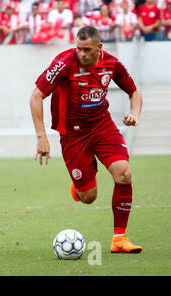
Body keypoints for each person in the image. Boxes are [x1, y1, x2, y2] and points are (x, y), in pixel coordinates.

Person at [30, 25, 143, 254]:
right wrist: (42, 137)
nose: (82, 54)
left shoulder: (112, 63)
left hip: (102, 125)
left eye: (87, 50)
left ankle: (119, 239)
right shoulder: (64, 63)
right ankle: (80, 183)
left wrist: (134, 114)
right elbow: (36, 96)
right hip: (73, 134)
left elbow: (134, 92)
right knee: (89, 197)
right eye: (79, 49)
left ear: (99, 48)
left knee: (124, 173)